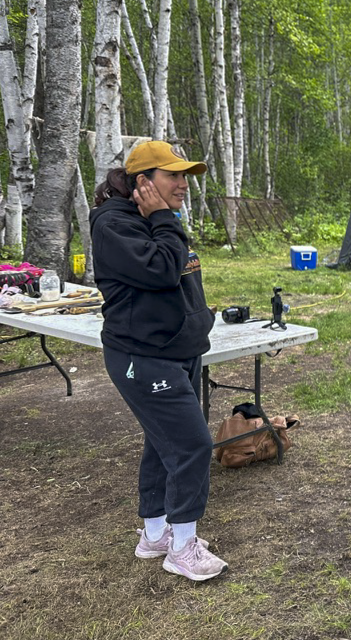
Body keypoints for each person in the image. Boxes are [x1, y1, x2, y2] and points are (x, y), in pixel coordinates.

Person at [90, 141, 227, 582]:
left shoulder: (155, 217)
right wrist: (165, 220)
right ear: (143, 182)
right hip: (143, 355)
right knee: (192, 445)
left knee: (161, 441)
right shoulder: (115, 225)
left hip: (178, 348)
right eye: (174, 175)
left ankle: (154, 536)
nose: (183, 184)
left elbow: (181, 278)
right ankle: (182, 548)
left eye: (185, 176)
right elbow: (163, 270)